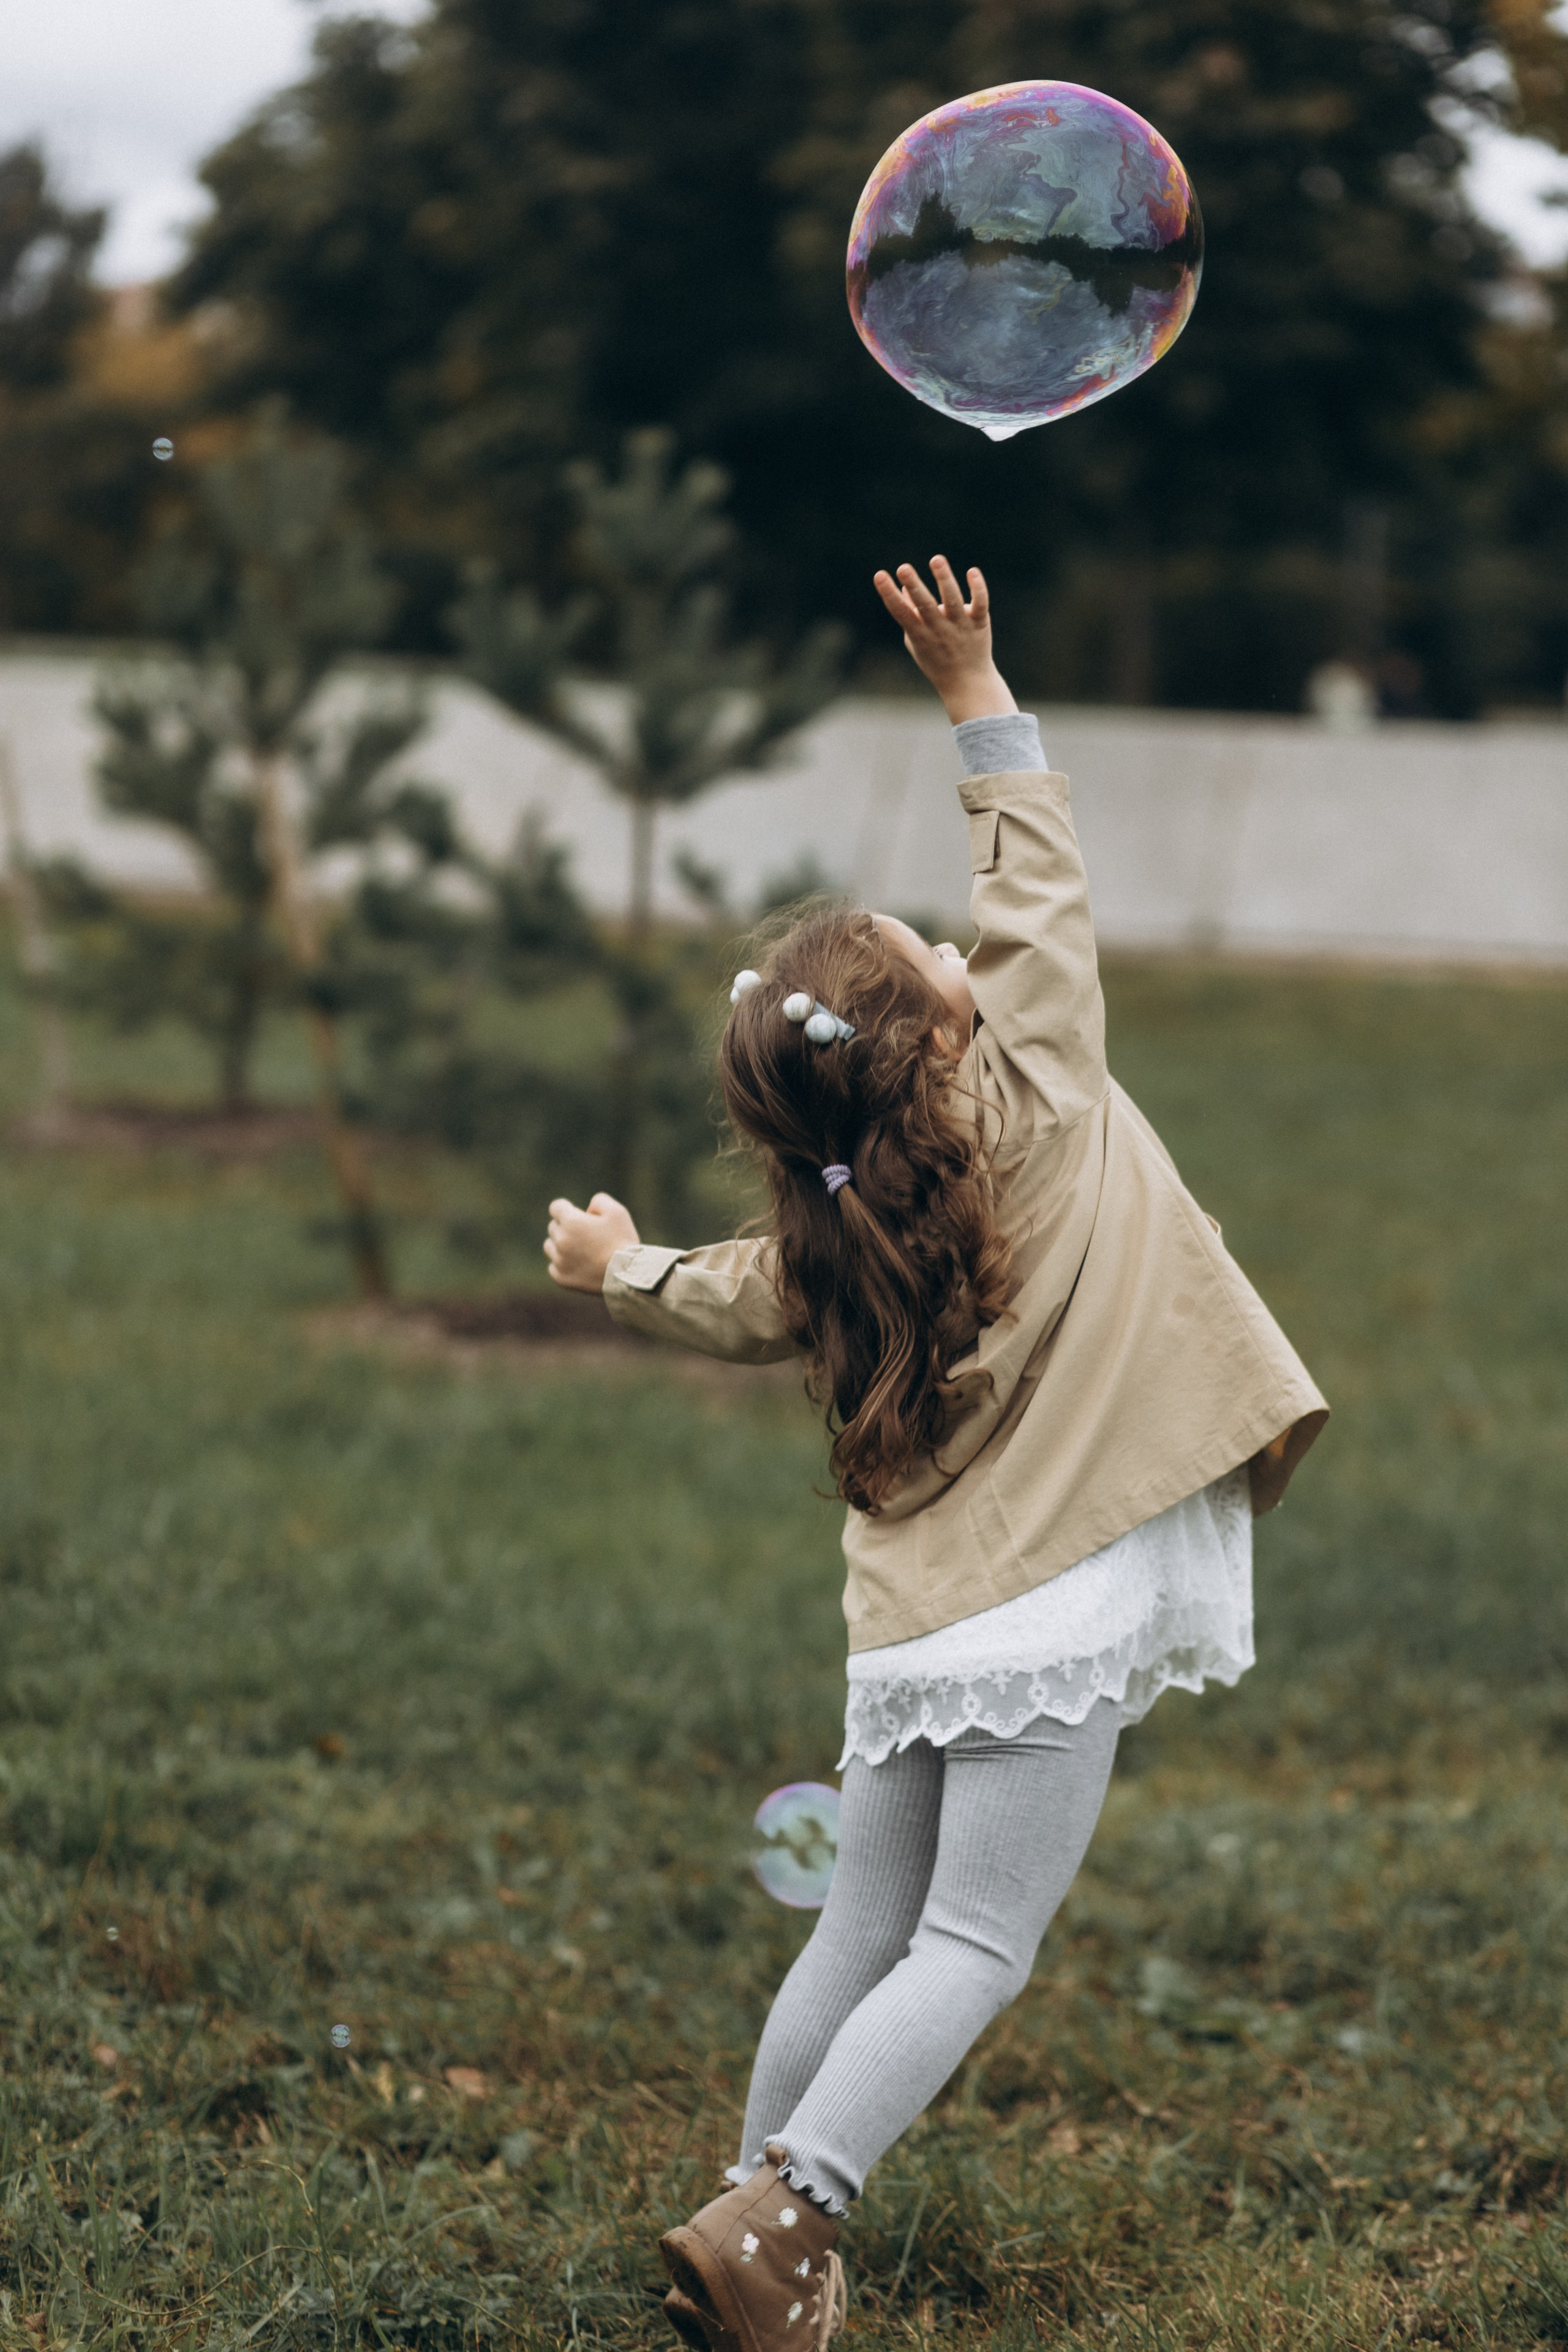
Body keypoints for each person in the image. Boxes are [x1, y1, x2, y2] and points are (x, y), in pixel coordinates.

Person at [545, 556, 1328, 2352]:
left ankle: (753, 2230)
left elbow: (726, 1293)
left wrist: (614, 1266)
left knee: (857, 1932)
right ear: (950, 1028)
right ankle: (793, 2213)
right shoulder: (1038, 1082)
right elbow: (1033, 866)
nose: (968, 950)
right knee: (973, 1949)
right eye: (939, 956)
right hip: (1048, 1631)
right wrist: (973, 684)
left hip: (911, 1639)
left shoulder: (831, 1237)